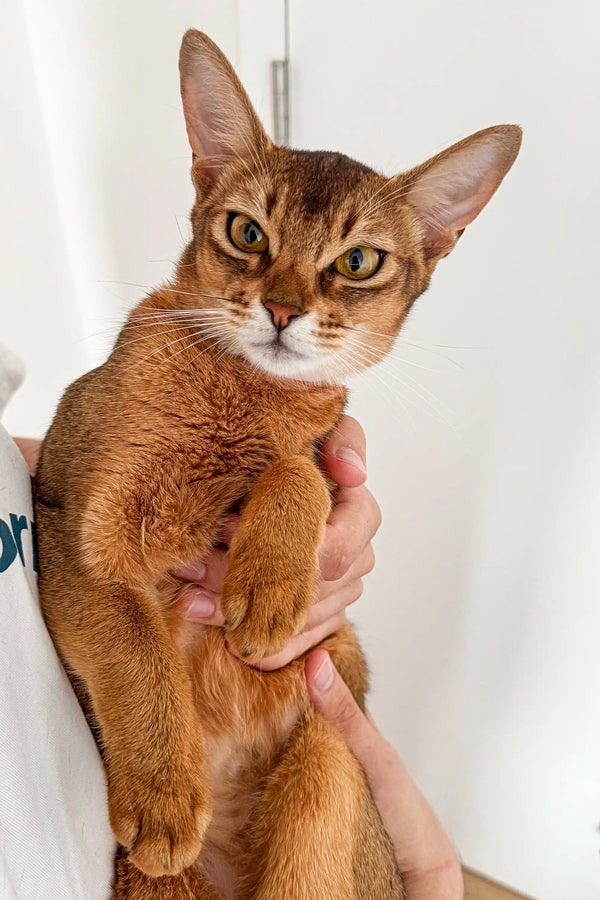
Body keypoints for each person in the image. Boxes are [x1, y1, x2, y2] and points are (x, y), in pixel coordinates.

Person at [1, 343, 462, 899]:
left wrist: (131, 464)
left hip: (276, 799)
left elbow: (50, 488)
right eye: (249, 245)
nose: (286, 305)